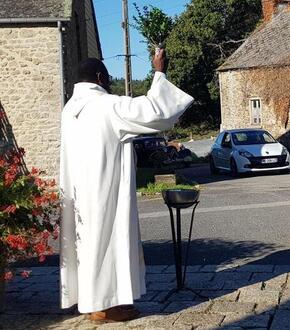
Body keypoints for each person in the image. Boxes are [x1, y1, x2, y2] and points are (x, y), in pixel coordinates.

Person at [59, 50, 194, 321]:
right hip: (104, 189)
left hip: (79, 193)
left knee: (86, 244)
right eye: (107, 78)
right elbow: (156, 112)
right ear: (99, 77)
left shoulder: (69, 109)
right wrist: (159, 72)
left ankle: (90, 300)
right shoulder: (106, 105)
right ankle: (109, 304)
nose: (109, 83)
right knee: (109, 239)